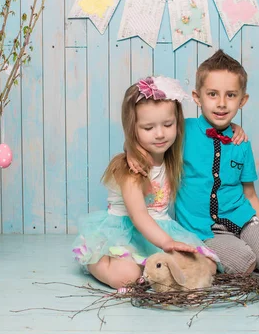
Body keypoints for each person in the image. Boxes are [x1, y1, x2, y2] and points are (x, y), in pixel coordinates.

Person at [128, 50, 259, 277]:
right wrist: (131, 151)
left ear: (242, 100)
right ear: (197, 97)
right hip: (202, 228)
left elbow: (250, 195)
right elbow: (150, 134)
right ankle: (247, 249)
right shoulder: (181, 131)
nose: (221, 104)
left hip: (242, 218)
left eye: (231, 95)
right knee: (243, 264)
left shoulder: (241, 143)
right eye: (213, 94)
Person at [71, 76, 220, 289]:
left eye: (167, 124)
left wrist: (235, 129)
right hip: (128, 230)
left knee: (207, 266)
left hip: (160, 228)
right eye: (148, 128)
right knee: (127, 278)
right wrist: (167, 243)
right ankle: (97, 261)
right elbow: (139, 215)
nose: (160, 134)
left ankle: (150, 269)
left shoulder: (170, 157)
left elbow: (211, 130)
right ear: (133, 130)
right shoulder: (131, 168)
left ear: (177, 123)